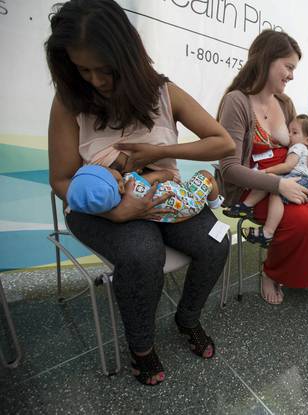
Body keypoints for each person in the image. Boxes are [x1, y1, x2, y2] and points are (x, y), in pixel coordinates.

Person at [46, 0, 235, 386]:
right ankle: (142, 347)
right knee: (141, 253)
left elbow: (223, 143)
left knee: (218, 238)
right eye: (83, 70)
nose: (96, 81)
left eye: (105, 69)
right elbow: (62, 180)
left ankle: (187, 318)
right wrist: (115, 213)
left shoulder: (164, 93)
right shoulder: (70, 102)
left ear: (128, 57)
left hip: (164, 192)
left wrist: (163, 152)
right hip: (100, 204)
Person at [217, 30, 308, 305]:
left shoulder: (284, 103)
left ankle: (297, 268)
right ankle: (271, 272)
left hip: (289, 174)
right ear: (266, 61)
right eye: (289, 67)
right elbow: (229, 169)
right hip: (255, 186)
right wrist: (278, 184)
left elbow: (302, 137)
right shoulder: (237, 101)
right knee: (302, 219)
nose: (292, 76)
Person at [223, 114, 308, 246]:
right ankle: (247, 206)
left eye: (294, 132)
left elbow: (288, 165)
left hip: (302, 180)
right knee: (270, 182)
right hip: (304, 181)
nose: (289, 135)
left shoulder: (298, 147)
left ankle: (267, 232)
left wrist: (266, 171)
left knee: (276, 191)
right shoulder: (301, 147)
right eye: (289, 131)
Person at [67, 165, 223, 223]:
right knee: (206, 175)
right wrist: (164, 175)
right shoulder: (132, 183)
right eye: (106, 170)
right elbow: (166, 175)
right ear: (119, 185)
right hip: (188, 200)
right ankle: (214, 202)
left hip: (172, 214)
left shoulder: (114, 205)